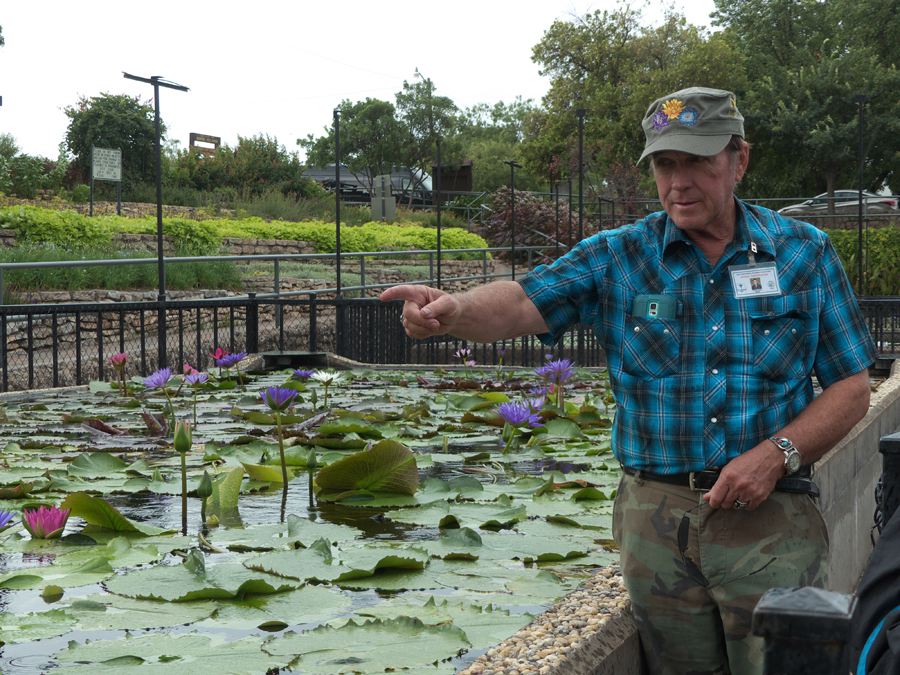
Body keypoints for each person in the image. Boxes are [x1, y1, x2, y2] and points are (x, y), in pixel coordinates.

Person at [380, 87, 875, 675]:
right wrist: (452, 310)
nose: (679, 182)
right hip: (655, 522)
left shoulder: (804, 254)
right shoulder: (617, 257)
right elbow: (520, 302)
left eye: (697, 161)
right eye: (666, 165)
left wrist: (776, 455)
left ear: (739, 160)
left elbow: (852, 387)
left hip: (771, 519)